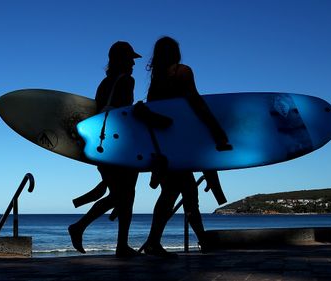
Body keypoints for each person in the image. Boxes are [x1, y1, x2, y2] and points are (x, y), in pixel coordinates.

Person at [141, 36, 232, 257]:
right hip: (180, 145)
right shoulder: (182, 72)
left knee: (177, 193)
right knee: (178, 194)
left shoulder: (156, 80)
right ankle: (158, 242)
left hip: (165, 145)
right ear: (176, 52)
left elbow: (157, 112)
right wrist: (217, 132)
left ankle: (197, 240)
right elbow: (196, 103)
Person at [68, 41, 141, 258]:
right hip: (121, 144)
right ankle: (81, 227)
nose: (133, 64)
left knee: (122, 195)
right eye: (130, 59)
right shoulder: (127, 80)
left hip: (101, 145)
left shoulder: (103, 83)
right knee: (124, 195)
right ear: (122, 60)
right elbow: (123, 114)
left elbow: (100, 113)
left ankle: (119, 245)